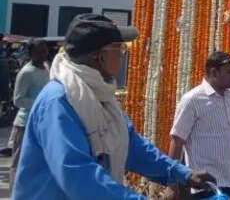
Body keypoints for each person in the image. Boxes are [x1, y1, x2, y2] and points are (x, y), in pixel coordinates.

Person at [12, 13, 213, 199]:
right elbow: (78, 175)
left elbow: (131, 145)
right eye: (120, 49)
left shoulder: (99, 95)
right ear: (99, 57)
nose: (123, 55)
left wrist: (182, 173)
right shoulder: (58, 101)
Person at [169, 51, 230, 199]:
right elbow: (177, 142)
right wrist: (172, 184)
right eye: (229, 72)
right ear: (214, 73)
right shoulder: (192, 100)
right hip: (207, 186)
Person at [10, 38, 49, 189]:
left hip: (41, 124)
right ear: (31, 53)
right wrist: (40, 103)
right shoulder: (26, 72)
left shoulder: (46, 68)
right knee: (19, 163)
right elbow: (18, 100)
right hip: (24, 124)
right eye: (40, 51)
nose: (43, 54)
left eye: (45, 50)